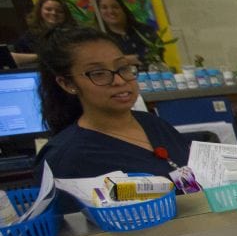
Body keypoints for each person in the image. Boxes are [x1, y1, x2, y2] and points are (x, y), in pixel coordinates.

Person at [35, 27, 192, 186]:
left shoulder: (155, 125)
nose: (119, 81)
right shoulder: (67, 157)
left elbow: (189, 185)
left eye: (123, 68)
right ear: (68, 84)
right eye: (98, 73)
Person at [94, 0, 160, 66]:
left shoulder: (145, 30)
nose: (111, 11)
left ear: (123, 9)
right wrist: (126, 60)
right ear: (98, 12)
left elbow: (157, 54)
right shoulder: (98, 40)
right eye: (104, 8)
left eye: (115, 7)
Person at [12, 0, 76, 54]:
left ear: (66, 15)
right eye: (48, 9)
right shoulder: (28, 37)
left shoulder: (74, 34)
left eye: (59, 11)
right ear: (39, 12)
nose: (54, 13)